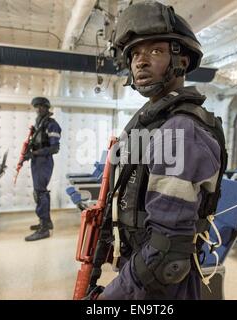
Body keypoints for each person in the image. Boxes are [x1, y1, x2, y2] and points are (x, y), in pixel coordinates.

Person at [89, 1, 228, 299]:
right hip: (137, 271)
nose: (140, 61)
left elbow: (167, 254)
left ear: (182, 61)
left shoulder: (180, 131)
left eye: (155, 51)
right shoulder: (148, 122)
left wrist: (111, 297)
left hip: (159, 285)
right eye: (135, 53)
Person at [24, 97, 61, 242]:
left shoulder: (52, 125)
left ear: (47, 108)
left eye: (41, 106)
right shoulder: (39, 124)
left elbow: (54, 148)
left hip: (44, 161)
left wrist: (35, 153)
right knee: (39, 191)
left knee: (40, 193)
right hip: (36, 160)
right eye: (36, 107)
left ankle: (44, 229)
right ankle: (45, 221)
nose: (39, 109)